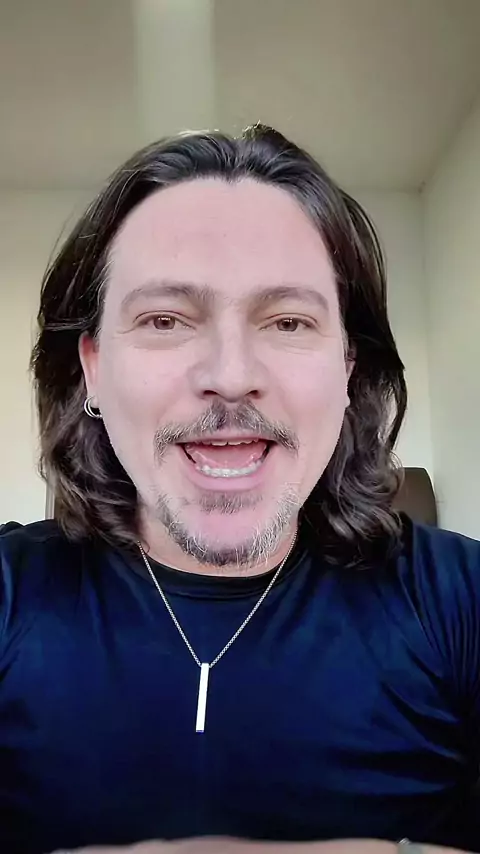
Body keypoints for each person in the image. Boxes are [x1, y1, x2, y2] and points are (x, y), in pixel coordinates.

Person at [0, 123, 478, 854]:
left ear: (347, 368)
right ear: (92, 368)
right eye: (165, 319)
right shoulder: (10, 595)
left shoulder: (460, 602)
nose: (230, 375)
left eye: (287, 321)